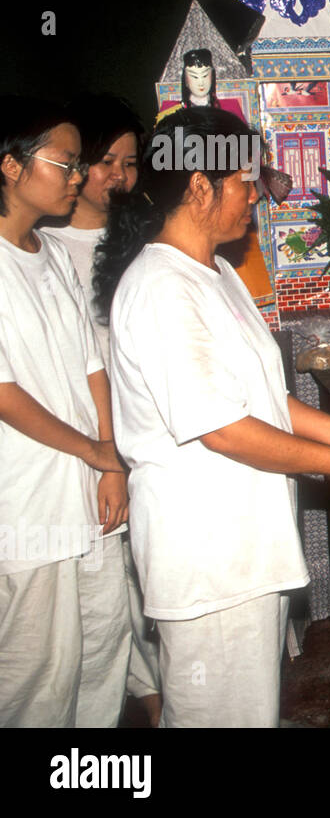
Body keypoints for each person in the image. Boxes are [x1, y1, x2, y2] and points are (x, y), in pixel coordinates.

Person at [97, 106, 330, 727]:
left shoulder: (215, 271)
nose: (255, 197)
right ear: (198, 186)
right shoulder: (162, 288)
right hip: (208, 556)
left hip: (244, 547)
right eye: (244, 181)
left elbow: (260, 399)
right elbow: (223, 429)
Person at [0, 97, 130, 727]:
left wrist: (110, 463)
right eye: (67, 163)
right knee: (37, 676)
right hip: (27, 501)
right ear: (11, 167)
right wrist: (91, 451)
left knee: (103, 648)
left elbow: (91, 364)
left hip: (88, 489)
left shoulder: (50, 252)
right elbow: (3, 392)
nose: (78, 176)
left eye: (82, 165)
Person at [40, 94, 164, 727]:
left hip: (141, 424)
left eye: (130, 161)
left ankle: (152, 695)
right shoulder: (41, 245)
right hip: (80, 437)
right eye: (104, 160)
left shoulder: (141, 235)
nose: (119, 175)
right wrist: (98, 449)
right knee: (91, 594)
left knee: (139, 574)